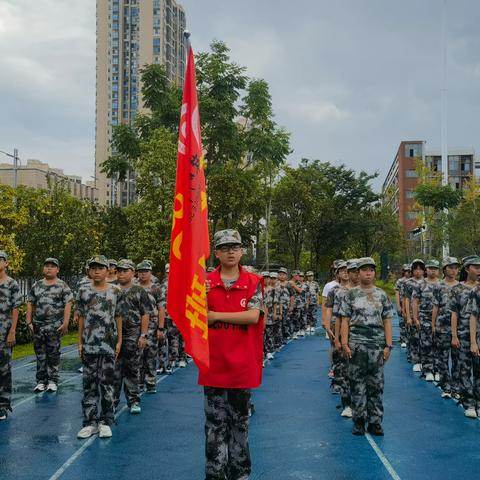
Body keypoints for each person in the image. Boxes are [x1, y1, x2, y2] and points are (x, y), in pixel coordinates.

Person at [201, 229, 264, 480]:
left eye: (235, 247)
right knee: (214, 424)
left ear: (242, 251)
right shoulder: (204, 282)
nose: (230, 251)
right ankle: (215, 472)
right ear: (216, 252)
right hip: (214, 364)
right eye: (224, 247)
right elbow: (194, 317)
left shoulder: (253, 282)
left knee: (240, 422)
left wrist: (216, 315)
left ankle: (240, 471)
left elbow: (253, 316)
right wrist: (201, 296)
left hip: (242, 365)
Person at [340, 257, 393, 436]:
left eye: (371, 269)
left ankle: (375, 422)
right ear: (358, 273)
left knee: (376, 385)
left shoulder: (382, 294)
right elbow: (345, 320)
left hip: (377, 346)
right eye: (364, 270)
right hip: (356, 345)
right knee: (357, 385)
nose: (368, 273)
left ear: (374, 273)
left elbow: (387, 320)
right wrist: (345, 343)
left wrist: (388, 345)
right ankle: (359, 421)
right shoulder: (350, 294)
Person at [76, 255, 122, 439]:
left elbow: (118, 316)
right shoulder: (83, 291)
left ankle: (106, 421)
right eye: (93, 267)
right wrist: (79, 341)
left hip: (109, 344)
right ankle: (89, 422)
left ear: (107, 270)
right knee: (89, 384)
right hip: (89, 344)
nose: (96, 271)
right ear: (89, 271)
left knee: (108, 383)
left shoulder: (116, 291)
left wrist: (119, 340)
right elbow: (80, 317)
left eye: (100, 267)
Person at [26, 258, 73, 393]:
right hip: (38, 326)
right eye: (46, 266)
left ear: (57, 270)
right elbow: (30, 302)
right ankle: (41, 381)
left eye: (52, 266)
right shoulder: (37, 285)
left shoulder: (62, 285)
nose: (49, 268)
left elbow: (68, 304)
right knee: (40, 354)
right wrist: (29, 321)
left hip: (54, 326)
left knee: (53, 354)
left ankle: (52, 380)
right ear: (43, 269)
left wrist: (65, 323)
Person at [114, 259, 150, 414]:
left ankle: (133, 400)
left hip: (132, 335)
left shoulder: (139, 291)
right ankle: (113, 401)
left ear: (133, 272)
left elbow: (145, 314)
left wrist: (143, 335)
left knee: (132, 369)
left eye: (125, 270)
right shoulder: (112, 289)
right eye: (119, 271)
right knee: (113, 370)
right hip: (114, 335)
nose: (121, 273)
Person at [451, 255, 480, 417]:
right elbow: (454, 313)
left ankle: (478, 401)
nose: (479, 270)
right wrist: (454, 335)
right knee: (464, 370)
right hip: (463, 334)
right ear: (467, 269)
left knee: (479, 371)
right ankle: (469, 402)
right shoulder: (458, 289)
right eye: (475, 267)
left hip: (479, 335)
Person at [335, 259, 359, 418]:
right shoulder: (341, 292)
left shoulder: (370, 292)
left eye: (358, 271)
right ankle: (347, 404)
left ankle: (361, 404)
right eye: (352, 271)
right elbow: (338, 318)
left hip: (364, 339)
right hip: (347, 337)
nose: (356, 274)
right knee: (346, 371)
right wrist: (337, 339)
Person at [432, 257, 459, 396]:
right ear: (444, 269)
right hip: (442, 327)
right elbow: (435, 306)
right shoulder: (439, 286)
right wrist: (433, 325)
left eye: (455, 268)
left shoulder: (460, 286)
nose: (453, 270)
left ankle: (456, 387)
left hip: (458, 329)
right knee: (442, 358)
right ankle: (446, 386)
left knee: (457, 360)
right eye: (450, 267)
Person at [0, 251, 22, 421]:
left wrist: (12, 331)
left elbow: (16, 308)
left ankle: (3, 405)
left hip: (4, 331)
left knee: (4, 369)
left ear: (6, 263)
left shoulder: (11, 284)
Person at [136, 260, 163, 393]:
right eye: (140, 271)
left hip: (152, 327)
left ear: (150, 272)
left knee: (151, 356)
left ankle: (151, 382)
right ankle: (139, 383)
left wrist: (161, 327)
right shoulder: (134, 287)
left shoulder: (155, 288)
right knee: (138, 357)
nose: (143, 274)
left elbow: (161, 308)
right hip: (136, 327)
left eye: (146, 271)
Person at [412, 259, 440, 381]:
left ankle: (438, 369)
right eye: (430, 268)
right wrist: (415, 318)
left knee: (439, 345)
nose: (432, 271)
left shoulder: (441, 284)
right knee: (426, 344)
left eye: (435, 268)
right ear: (426, 270)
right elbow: (415, 301)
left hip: (440, 319)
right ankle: (428, 370)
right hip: (424, 317)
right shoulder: (420, 284)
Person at [323, 261, 348, 394]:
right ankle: (337, 381)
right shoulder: (333, 289)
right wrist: (327, 324)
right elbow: (328, 308)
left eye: (346, 269)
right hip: (334, 323)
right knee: (336, 350)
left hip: (349, 324)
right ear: (337, 273)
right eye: (341, 270)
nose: (344, 272)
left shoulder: (354, 289)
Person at [403, 259, 425, 372]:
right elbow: (406, 299)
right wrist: (408, 315)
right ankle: (415, 360)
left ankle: (424, 360)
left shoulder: (427, 282)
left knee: (425, 338)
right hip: (412, 313)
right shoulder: (408, 282)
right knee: (414, 337)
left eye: (420, 269)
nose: (418, 271)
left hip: (425, 314)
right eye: (415, 269)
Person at [394, 264, 411, 348]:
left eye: (409, 271)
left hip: (410, 306)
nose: (408, 273)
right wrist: (398, 306)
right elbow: (397, 293)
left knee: (410, 324)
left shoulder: (413, 281)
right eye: (406, 271)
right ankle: (403, 339)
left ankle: (409, 339)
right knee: (402, 323)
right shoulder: (400, 281)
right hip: (401, 303)